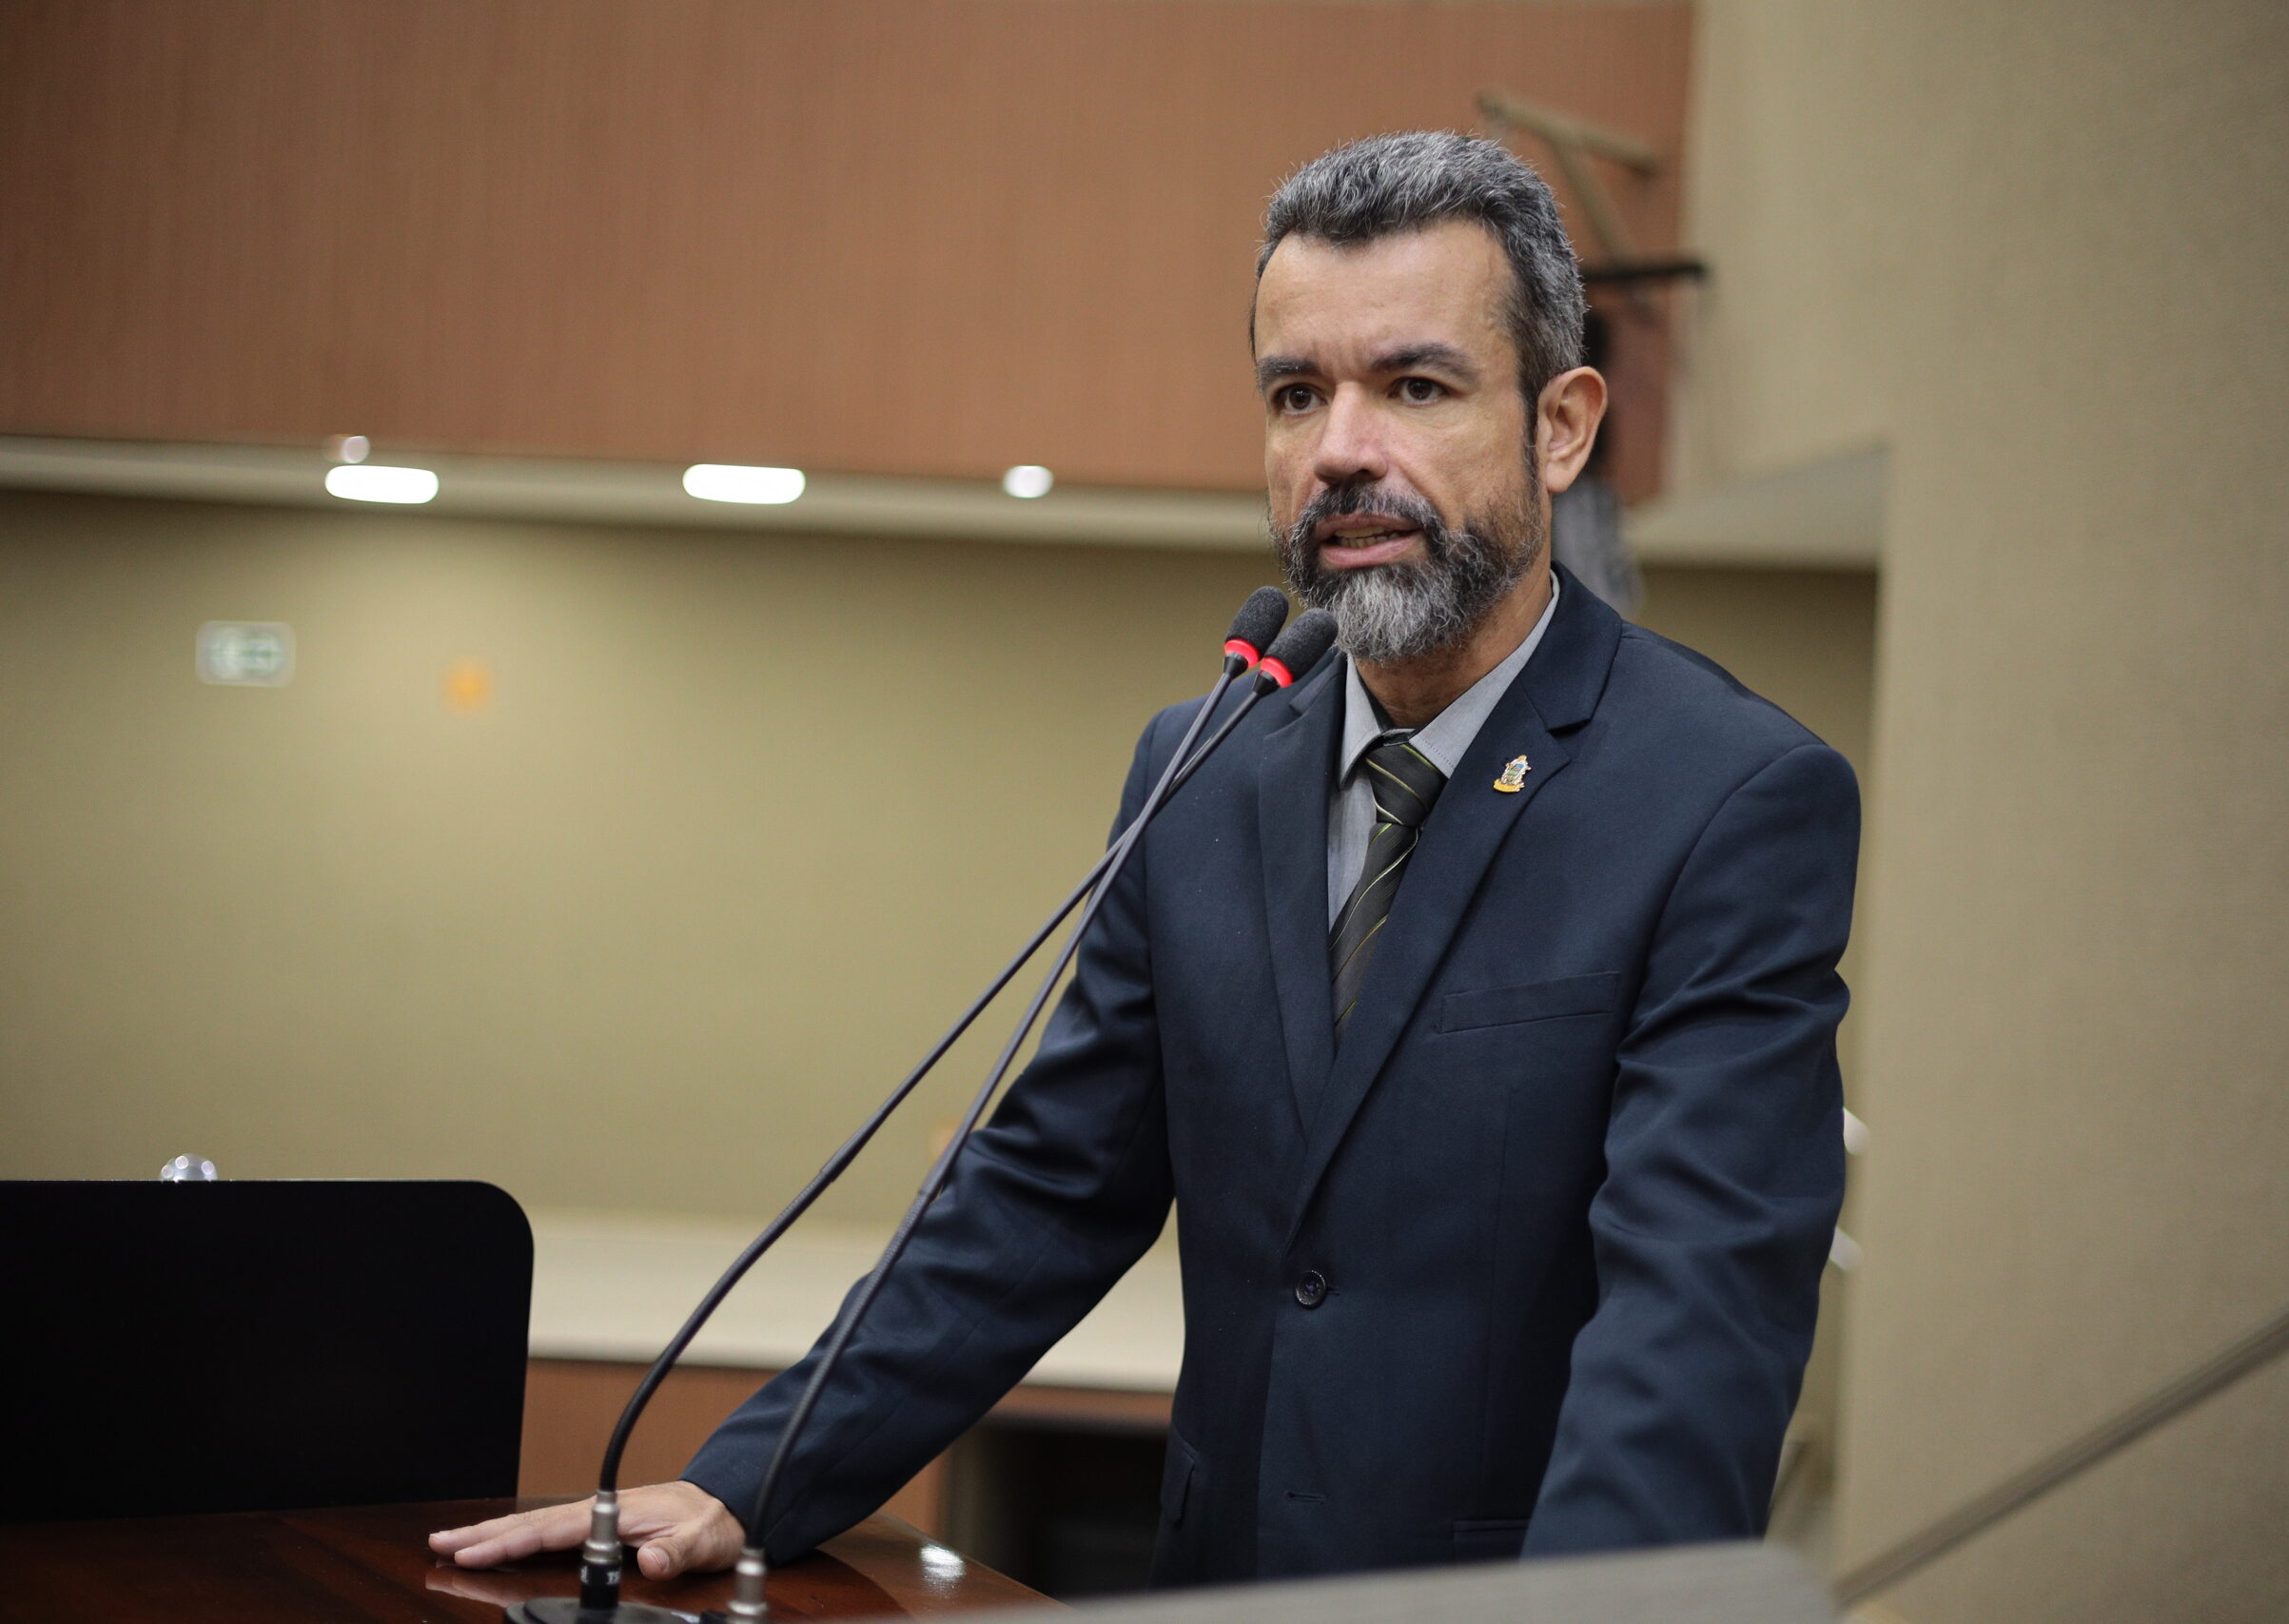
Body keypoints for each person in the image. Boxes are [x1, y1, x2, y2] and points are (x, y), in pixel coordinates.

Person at [435, 130, 1858, 1587]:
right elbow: (1049, 1190)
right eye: (1296, 394)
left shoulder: (1726, 798)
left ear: (1560, 426)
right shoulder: (1204, 762)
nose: (1341, 450)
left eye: (1415, 387)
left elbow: (1695, 1320)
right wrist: (751, 1480)